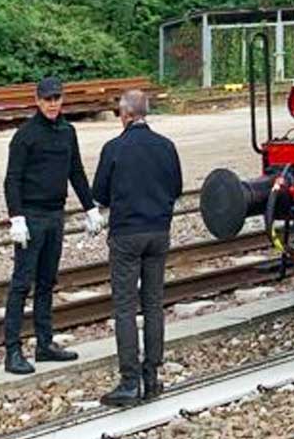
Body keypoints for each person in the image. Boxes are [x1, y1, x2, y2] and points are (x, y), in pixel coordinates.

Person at [2, 76, 106, 375]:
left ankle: (44, 344)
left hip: (55, 214)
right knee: (22, 283)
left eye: (56, 98)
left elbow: (76, 171)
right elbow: (12, 179)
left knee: (47, 281)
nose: (52, 104)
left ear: (62, 99)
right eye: (47, 99)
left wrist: (90, 208)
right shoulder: (25, 135)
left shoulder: (67, 132)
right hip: (31, 216)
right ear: (37, 100)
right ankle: (12, 351)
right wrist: (16, 217)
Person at [92, 89, 183, 406]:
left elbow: (99, 194)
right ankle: (152, 377)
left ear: (127, 114)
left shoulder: (114, 149)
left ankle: (129, 382)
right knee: (154, 303)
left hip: (127, 235)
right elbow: (177, 188)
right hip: (159, 232)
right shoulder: (166, 147)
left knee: (126, 307)